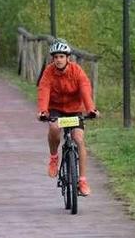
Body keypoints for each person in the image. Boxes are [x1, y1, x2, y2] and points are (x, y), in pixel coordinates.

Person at [37, 39, 99, 196]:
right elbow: (44, 90)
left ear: (67, 58)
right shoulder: (48, 72)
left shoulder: (77, 71)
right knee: (54, 127)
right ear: (53, 59)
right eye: (56, 57)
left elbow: (85, 89)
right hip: (56, 109)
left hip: (74, 110)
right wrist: (43, 111)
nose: (58, 60)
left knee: (78, 139)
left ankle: (82, 180)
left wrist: (91, 109)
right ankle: (53, 157)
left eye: (61, 57)